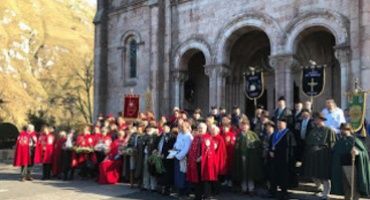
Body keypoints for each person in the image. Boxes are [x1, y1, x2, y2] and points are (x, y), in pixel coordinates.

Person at [331, 123, 370, 199]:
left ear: (349, 130)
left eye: (344, 129)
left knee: (354, 188)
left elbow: (364, 153)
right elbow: (335, 152)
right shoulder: (340, 141)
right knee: (346, 188)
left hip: (351, 167)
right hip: (341, 167)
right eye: (341, 129)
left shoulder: (355, 140)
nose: (342, 131)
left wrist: (357, 152)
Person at [303, 112, 336, 200]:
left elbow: (332, 143)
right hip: (313, 155)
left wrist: (330, 154)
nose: (315, 120)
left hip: (324, 155)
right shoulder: (313, 130)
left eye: (317, 119)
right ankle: (320, 188)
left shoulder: (329, 130)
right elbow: (308, 142)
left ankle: (326, 193)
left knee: (324, 175)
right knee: (313, 174)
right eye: (314, 119)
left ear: (321, 120)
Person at [232, 117, 263, 195]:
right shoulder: (238, 136)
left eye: (245, 125)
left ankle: (251, 188)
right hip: (241, 157)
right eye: (242, 125)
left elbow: (258, 145)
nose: (244, 127)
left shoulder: (253, 135)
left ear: (248, 126)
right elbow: (236, 147)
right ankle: (244, 188)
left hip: (251, 158)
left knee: (250, 173)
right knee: (243, 173)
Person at [268, 117, 297, 199]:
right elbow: (271, 144)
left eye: (281, 123)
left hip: (284, 159)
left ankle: (284, 192)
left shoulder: (289, 134)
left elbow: (291, 148)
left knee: (283, 176)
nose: (279, 124)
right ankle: (273, 192)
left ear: (285, 124)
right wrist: (270, 151)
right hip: (274, 158)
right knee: (273, 175)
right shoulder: (275, 134)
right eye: (278, 123)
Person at [173, 121, 193, 196]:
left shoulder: (189, 136)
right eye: (181, 127)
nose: (181, 128)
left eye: (183, 127)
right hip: (177, 155)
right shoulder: (180, 134)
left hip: (183, 157)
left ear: (187, 128)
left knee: (183, 174)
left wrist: (179, 156)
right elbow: (176, 143)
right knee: (177, 174)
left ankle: (184, 192)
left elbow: (186, 149)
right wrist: (174, 150)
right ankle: (179, 190)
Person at [157, 123, 176, 195]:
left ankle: (167, 189)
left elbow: (171, 148)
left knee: (167, 174)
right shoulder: (162, 136)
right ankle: (162, 188)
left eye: (165, 127)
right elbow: (158, 144)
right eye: (163, 127)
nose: (164, 128)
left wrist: (164, 154)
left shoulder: (171, 136)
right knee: (162, 173)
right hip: (160, 156)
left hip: (168, 158)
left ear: (169, 128)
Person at [186, 125, 203, 200]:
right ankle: (196, 196)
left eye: (199, 130)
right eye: (196, 130)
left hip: (199, 161)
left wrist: (200, 157)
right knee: (195, 180)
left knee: (199, 180)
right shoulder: (195, 139)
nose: (196, 132)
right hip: (193, 161)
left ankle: (199, 196)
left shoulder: (202, 138)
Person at [220, 116, 237, 187]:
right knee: (225, 168)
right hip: (224, 155)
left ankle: (230, 181)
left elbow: (233, 145)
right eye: (223, 127)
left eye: (226, 127)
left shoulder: (231, 135)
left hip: (230, 154)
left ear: (229, 127)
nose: (224, 129)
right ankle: (226, 180)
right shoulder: (221, 135)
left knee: (231, 168)